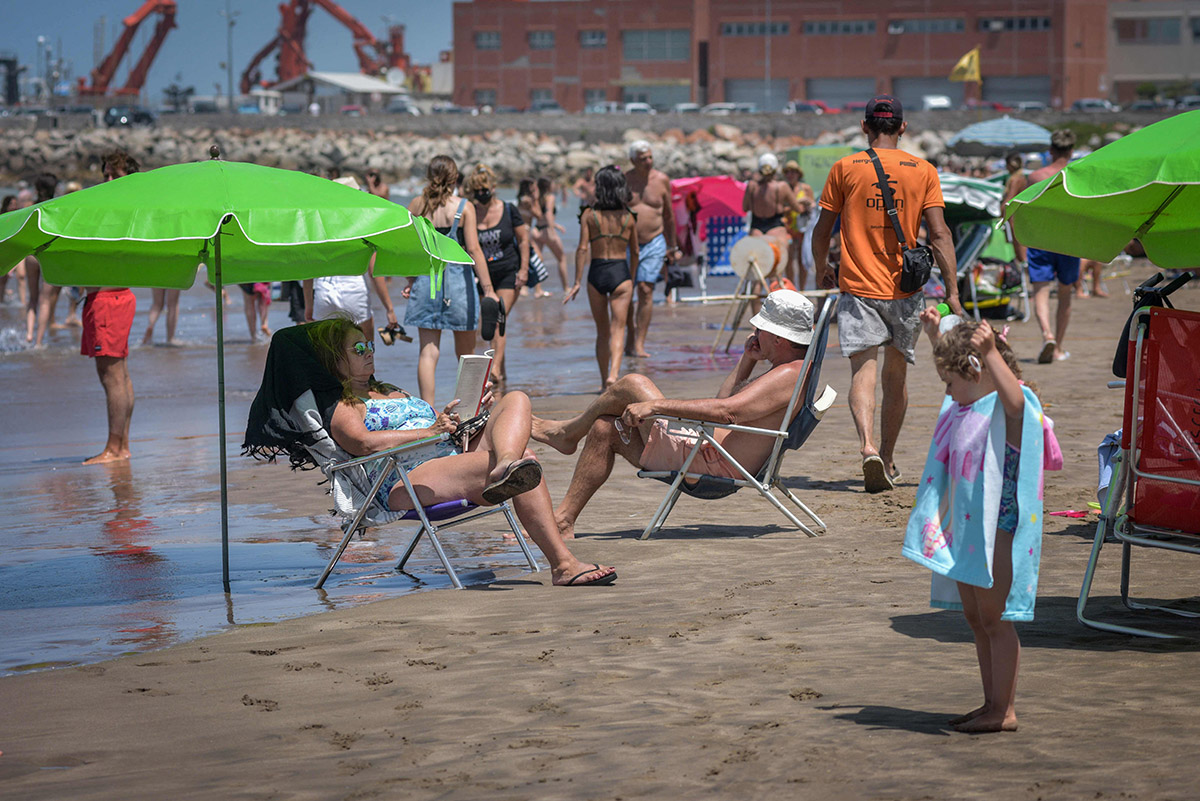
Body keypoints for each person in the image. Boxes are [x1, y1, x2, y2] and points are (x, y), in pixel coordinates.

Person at [307, 317, 617, 587]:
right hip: (402, 478)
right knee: (525, 460)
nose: (370, 352)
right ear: (335, 360)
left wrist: (465, 412)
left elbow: (435, 425)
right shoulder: (343, 405)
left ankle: (505, 463)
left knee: (515, 400)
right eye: (358, 349)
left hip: (446, 453)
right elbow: (363, 444)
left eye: (370, 344)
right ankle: (563, 565)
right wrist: (431, 432)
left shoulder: (389, 389)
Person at [532, 289, 814, 540]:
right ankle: (563, 520)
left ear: (778, 338)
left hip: (711, 463)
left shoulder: (789, 374)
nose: (754, 333)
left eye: (760, 329)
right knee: (605, 430)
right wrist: (747, 360)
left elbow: (725, 412)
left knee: (634, 384)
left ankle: (566, 434)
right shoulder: (792, 369)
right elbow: (723, 402)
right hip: (708, 449)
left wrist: (656, 407)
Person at [904, 311, 1056, 733]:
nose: (948, 395)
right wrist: (938, 335)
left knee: (995, 619)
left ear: (977, 370)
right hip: (973, 531)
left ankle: (1004, 710)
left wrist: (988, 351)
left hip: (1000, 531)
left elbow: (1016, 401)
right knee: (976, 618)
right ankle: (992, 702)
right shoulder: (968, 404)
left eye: (950, 384)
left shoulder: (1008, 412)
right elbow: (959, 374)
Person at [811, 94, 961, 493]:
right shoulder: (923, 169)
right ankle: (889, 459)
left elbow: (821, 229)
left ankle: (868, 447)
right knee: (896, 378)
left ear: (864, 126)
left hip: (858, 286)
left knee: (863, 372)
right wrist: (954, 291)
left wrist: (821, 267)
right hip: (906, 288)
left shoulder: (844, 168)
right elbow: (940, 234)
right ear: (903, 127)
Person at [404, 155, 499, 405]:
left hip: (426, 281)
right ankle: (467, 410)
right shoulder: (464, 207)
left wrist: (410, 280)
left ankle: (429, 412)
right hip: (459, 285)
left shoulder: (416, 205)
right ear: (455, 178)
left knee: (427, 352)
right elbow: (475, 250)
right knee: (466, 354)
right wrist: (489, 289)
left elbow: (407, 249)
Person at [82, 150, 140, 465]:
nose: (107, 180)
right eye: (105, 174)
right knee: (121, 374)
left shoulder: (118, 211)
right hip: (115, 298)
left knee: (112, 376)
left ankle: (114, 448)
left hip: (109, 300)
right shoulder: (124, 210)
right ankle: (123, 445)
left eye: (113, 175)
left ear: (127, 178)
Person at [565, 165, 639, 390]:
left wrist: (577, 281)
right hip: (620, 272)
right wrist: (631, 279)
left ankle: (602, 380)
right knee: (618, 329)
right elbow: (635, 252)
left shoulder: (589, 215)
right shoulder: (628, 217)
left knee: (602, 331)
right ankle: (613, 376)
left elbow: (582, 249)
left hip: (597, 272)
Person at [464, 164, 529, 384]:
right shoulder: (470, 211)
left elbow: (524, 239)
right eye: (477, 191)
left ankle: (495, 372)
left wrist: (524, 269)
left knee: (499, 316)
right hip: (482, 276)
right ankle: (502, 369)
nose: (482, 194)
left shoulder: (509, 209)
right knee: (488, 322)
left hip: (508, 271)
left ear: (493, 187)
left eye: (485, 189)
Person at [1025, 129, 1078, 364]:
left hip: (1040, 238)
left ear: (1050, 151)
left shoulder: (1036, 176)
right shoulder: (1077, 175)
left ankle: (1047, 334)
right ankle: (1058, 347)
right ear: (1072, 151)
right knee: (1065, 293)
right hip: (1068, 239)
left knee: (1041, 291)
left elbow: (1025, 209)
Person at [624, 140, 679, 358]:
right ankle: (628, 338)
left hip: (655, 240)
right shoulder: (625, 181)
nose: (648, 162)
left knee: (646, 289)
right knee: (626, 292)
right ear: (632, 161)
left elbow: (668, 215)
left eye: (650, 157)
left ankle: (639, 343)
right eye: (642, 159)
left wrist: (673, 245)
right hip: (629, 242)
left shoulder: (662, 180)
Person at [782, 160, 815, 291]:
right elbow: (779, 209)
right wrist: (795, 204)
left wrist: (807, 204)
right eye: (788, 172)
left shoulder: (805, 188)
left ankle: (802, 289)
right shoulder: (783, 188)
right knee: (788, 261)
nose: (790, 175)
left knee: (803, 261)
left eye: (793, 172)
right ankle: (791, 289)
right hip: (788, 228)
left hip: (803, 228)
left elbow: (813, 207)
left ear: (798, 174)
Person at [517, 177, 552, 297]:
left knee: (530, 259)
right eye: (533, 186)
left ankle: (535, 289)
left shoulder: (522, 199)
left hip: (524, 233)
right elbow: (538, 215)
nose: (535, 188)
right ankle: (529, 289)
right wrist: (536, 199)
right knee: (537, 258)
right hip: (525, 233)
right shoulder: (528, 201)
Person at [534, 176, 569, 292]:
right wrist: (552, 231)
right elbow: (548, 213)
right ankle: (566, 288)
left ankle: (537, 290)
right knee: (562, 258)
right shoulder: (550, 197)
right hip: (546, 231)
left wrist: (556, 225)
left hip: (536, 230)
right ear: (548, 186)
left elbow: (540, 215)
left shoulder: (537, 198)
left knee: (538, 261)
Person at [999, 153, 1028, 268]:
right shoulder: (1021, 177)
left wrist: (1001, 212)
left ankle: (1024, 274)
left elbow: (1009, 198)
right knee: (1019, 244)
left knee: (1018, 246)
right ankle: (1023, 273)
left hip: (1014, 215)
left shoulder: (1015, 179)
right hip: (1019, 213)